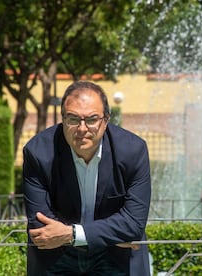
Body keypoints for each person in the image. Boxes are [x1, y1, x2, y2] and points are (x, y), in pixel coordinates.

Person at [23, 81, 152, 275]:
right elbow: (40, 227)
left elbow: (133, 223)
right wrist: (111, 233)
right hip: (59, 255)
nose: (82, 129)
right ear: (63, 119)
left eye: (91, 119)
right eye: (73, 119)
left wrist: (71, 234)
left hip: (115, 254)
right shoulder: (38, 153)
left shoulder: (133, 151)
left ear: (106, 120)